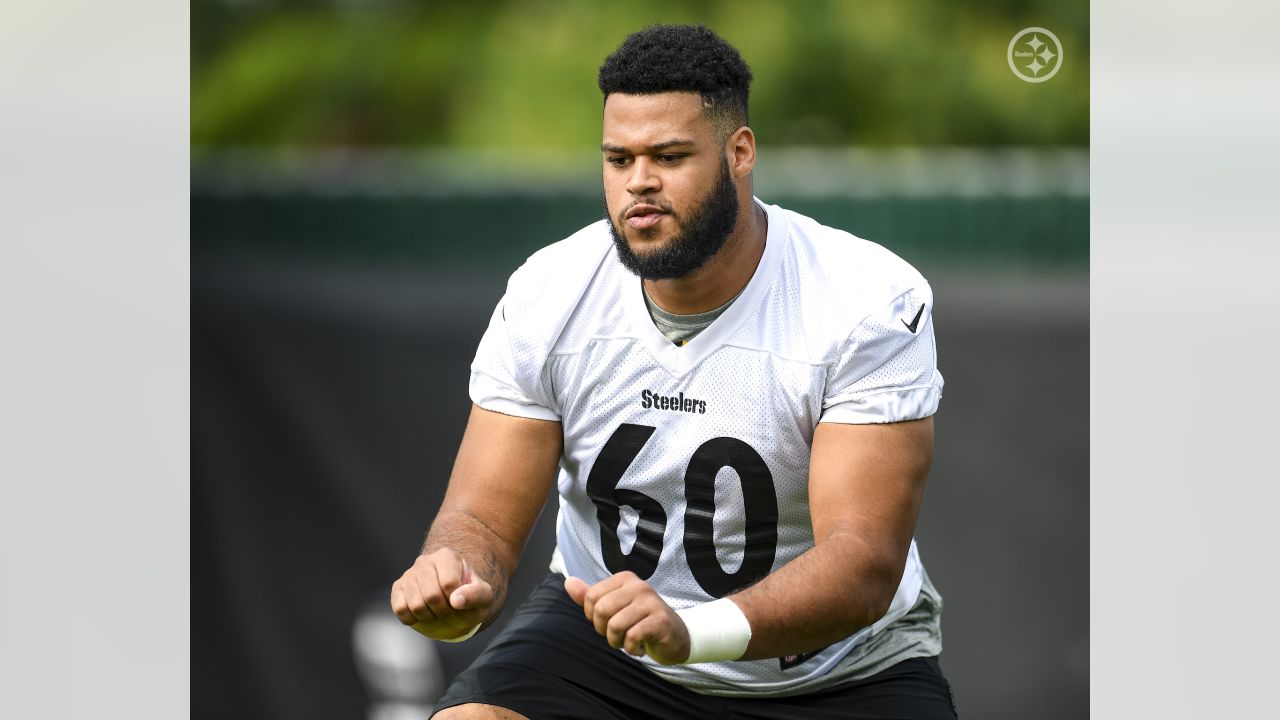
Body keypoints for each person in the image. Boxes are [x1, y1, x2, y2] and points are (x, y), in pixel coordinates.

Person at [391, 24, 956, 719]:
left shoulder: (863, 299)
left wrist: (693, 631)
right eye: (618, 159)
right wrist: (457, 575)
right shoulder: (552, 291)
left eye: (669, 155)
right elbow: (479, 515)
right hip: (611, 654)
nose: (640, 183)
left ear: (739, 152)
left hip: (835, 675)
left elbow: (864, 561)